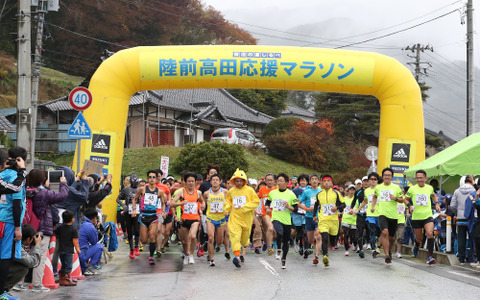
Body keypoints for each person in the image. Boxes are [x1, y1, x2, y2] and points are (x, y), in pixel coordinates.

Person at [27, 169, 68, 292]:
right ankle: (37, 285)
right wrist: (63, 184)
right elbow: (62, 195)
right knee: (39, 257)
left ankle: (18, 283)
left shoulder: (25, 191)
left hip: (28, 228)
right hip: (42, 229)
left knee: (24, 255)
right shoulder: (43, 193)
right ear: (42, 180)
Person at [0, 146, 28, 300]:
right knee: (6, 258)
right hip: (9, 223)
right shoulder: (18, 178)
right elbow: (17, 204)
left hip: (0, 219)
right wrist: (18, 228)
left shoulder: (2, 174)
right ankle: (2, 292)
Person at [224, 169, 260, 268]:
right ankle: (237, 257)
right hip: (235, 218)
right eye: (237, 181)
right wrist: (226, 210)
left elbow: (256, 202)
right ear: (234, 181)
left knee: (244, 241)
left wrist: (245, 207)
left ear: (244, 181)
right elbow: (228, 202)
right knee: (235, 236)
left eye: (241, 180)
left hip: (247, 219)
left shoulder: (250, 190)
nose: (239, 183)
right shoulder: (231, 191)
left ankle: (245, 244)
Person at [404, 170, 440, 264]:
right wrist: (409, 206)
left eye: (421, 177)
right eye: (417, 178)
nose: (419, 179)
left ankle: (430, 257)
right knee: (419, 239)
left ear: (425, 178)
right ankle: (416, 246)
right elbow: (405, 199)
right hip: (416, 217)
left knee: (429, 233)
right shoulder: (412, 189)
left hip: (427, 215)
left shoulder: (429, 188)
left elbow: (433, 195)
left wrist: (436, 204)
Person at [371, 168, 404, 264]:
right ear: (382, 176)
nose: (387, 177)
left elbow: (402, 199)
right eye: (385, 175)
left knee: (392, 237)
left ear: (392, 177)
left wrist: (395, 198)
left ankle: (388, 250)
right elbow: (375, 197)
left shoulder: (396, 187)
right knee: (385, 232)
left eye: (389, 175)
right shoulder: (378, 188)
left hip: (393, 215)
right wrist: (373, 206)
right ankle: (386, 255)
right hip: (382, 214)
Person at [132, 170, 166, 265]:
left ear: (156, 179)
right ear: (147, 179)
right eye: (150, 177)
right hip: (144, 216)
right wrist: (134, 209)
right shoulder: (142, 189)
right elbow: (134, 199)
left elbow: (164, 203)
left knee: (152, 236)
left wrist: (163, 212)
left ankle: (151, 256)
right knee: (143, 240)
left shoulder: (159, 192)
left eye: (153, 177)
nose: (152, 179)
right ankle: (139, 244)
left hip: (153, 216)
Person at [265, 173, 298, 269]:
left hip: (287, 220)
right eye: (278, 180)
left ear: (287, 182)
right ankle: (278, 248)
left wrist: (288, 206)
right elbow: (268, 202)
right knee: (279, 231)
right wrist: (267, 208)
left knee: (286, 241)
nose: (279, 182)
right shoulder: (273, 193)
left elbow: (295, 209)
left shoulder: (291, 194)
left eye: (281, 181)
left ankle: (283, 259)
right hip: (276, 217)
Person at [170, 172, 204, 265]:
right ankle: (186, 254)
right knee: (185, 241)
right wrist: (181, 203)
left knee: (193, 236)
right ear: (185, 182)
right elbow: (172, 203)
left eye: (192, 181)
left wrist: (202, 207)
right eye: (189, 181)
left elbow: (202, 202)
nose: (191, 183)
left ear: (195, 182)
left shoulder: (198, 192)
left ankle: (191, 255)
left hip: (195, 218)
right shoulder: (181, 192)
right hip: (184, 219)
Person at [312, 174, 346, 267]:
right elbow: (316, 205)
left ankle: (328, 251)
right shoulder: (319, 194)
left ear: (331, 183)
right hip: (323, 220)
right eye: (324, 181)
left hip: (334, 220)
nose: (326, 183)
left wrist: (337, 207)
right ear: (321, 183)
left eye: (328, 181)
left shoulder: (336, 193)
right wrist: (314, 215)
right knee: (324, 237)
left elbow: (344, 205)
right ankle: (325, 256)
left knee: (333, 239)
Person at [6, 224, 41, 295]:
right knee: (23, 268)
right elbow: (32, 262)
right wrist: (36, 246)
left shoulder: (10, 240)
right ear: (28, 239)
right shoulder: (16, 246)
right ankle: (2, 290)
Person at [203, 174, 228, 266]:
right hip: (210, 218)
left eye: (217, 180)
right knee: (210, 238)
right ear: (210, 182)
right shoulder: (206, 193)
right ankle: (211, 259)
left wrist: (227, 211)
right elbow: (203, 202)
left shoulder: (225, 192)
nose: (215, 181)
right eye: (213, 180)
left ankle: (217, 245)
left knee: (219, 242)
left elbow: (230, 202)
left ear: (220, 181)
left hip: (221, 219)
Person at [451, 174, 476, 264]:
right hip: (471, 218)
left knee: (461, 238)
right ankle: (470, 257)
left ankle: (461, 258)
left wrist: (457, 213)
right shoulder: (474, 190)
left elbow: (452, 206)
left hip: (460, 218)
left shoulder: (457, 191)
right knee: (471, 238)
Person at [298, 174, 322, 259]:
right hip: (308, 217)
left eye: (316, 179)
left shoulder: (321, 191)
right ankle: (314, 243)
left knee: (319, 236)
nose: (314, 181)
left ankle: (316, 256)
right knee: (311, 239)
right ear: (310, 181)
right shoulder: (306, 192)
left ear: (319, 181)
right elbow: (298, 203)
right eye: (312, 179)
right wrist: (307, 209)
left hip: (319, 217)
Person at [116, 174, 140, 259]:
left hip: (137, 212)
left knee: (137, 230)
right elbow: (117, 199)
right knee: (129, 231)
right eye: (133, 181)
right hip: (128, 212)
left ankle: (136, 246)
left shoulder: (139, 189)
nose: (134, 183)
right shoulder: (126, 189)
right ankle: (131, 249)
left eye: (136, 181)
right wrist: (124, 206)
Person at [55, 210, 80, 286]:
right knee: (68, 266)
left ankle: (61, 278)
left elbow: (55, 233)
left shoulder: (60, 228)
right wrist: (78, 249)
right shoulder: (73, 229)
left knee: (64, 265)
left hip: (61, 249)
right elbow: (75, 241)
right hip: (69, 250)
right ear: (72, 219)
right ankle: (67, 279)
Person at [254, 173, 277, 255]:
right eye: (268, 180)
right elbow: (256, 198)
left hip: (276, 214)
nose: (269, 182)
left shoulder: (277, 189)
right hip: (265, 214)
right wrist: (256, 209)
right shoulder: (262, 189)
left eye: (271, 180)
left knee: (274, 233)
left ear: (274, 181)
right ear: (265, 181)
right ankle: (270, 246)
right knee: (270, 228)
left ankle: (267, 241)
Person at [78, 207, 103, 275]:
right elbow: (94, 242)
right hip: (81, 255)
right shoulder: (89, 226)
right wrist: (96, 228)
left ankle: (84, 267)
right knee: (99, 246)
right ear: (94, 218)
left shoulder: (78, 222)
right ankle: (91, 268)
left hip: (73, 255)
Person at [291, 174, 309, 256]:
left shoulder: (310, 190)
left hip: (307, 214)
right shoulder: (295, 191)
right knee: (299, 232)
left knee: (305, 231)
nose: (303, 182)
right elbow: (292, 201)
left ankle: (305, 248)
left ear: (307, 181)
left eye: (304, 180)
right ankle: (299, 243)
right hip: (297, 213)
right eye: (301, 180)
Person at [352, 176, 369, 258]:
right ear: (362, 182)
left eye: (367, 181)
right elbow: (354, 201)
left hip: (370, 214)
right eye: (364, 181)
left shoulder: (372, 191)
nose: (366, 183)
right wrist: (351, 208)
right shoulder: (358, 192)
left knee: (370, 231)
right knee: (360, 231)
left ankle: (370, 244)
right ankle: (361, 249)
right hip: (360, 214)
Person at [342, 184, 357, 256]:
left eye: (353, 190)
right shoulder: (344, 199)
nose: (352, 191)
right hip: (345, 219)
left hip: (354, 220)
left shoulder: (356, 199)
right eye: (350, 189)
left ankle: (351, 243)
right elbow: (341, 207)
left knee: (353, 235)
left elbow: (359, 208)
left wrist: (355, 211)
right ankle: (346, 250)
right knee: (346, 234)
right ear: (348, 190)